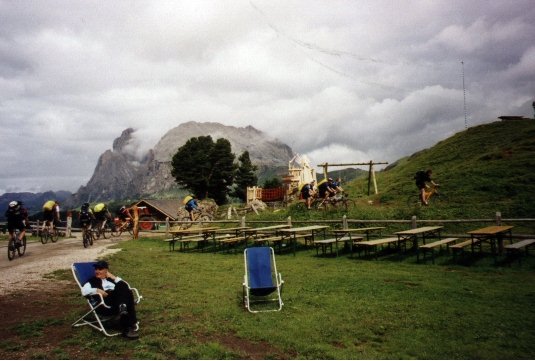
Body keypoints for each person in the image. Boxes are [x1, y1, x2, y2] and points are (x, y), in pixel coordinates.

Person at [81, 260, 139, 339]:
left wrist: (113, 277)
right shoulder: (91, 282)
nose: (97, 271)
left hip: (117, 300)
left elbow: (126, 286)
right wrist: (96, 290)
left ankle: (123, 308)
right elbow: (84, 291)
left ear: (106, 270)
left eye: (100, 269)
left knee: (123, 286)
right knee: (126, 295)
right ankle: (127, 323)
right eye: (96, 269)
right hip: (105, 303)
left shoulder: (111, 280)